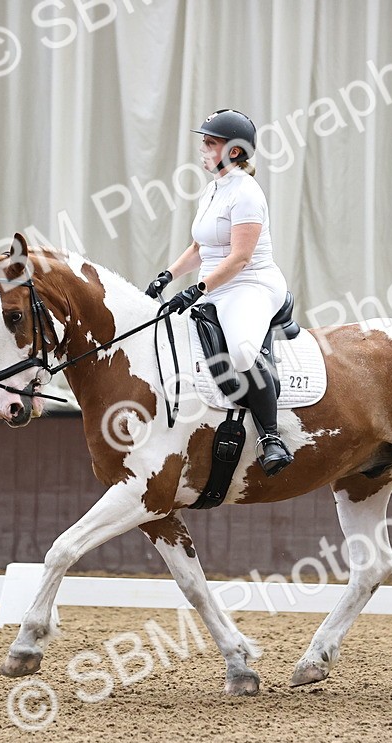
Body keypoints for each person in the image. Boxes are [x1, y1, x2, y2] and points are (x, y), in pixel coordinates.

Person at [145, 109, 294, 477]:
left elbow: (241, 258)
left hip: (250, 286)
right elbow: (200, 248)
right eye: (204, 142)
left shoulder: (246, 194)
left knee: (243, 354)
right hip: (217, 285)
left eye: (211, 143)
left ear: (236, 152)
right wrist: (168, 276)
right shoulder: (214, 189)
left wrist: (196, 290)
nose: (203, 149)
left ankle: (271, 437)